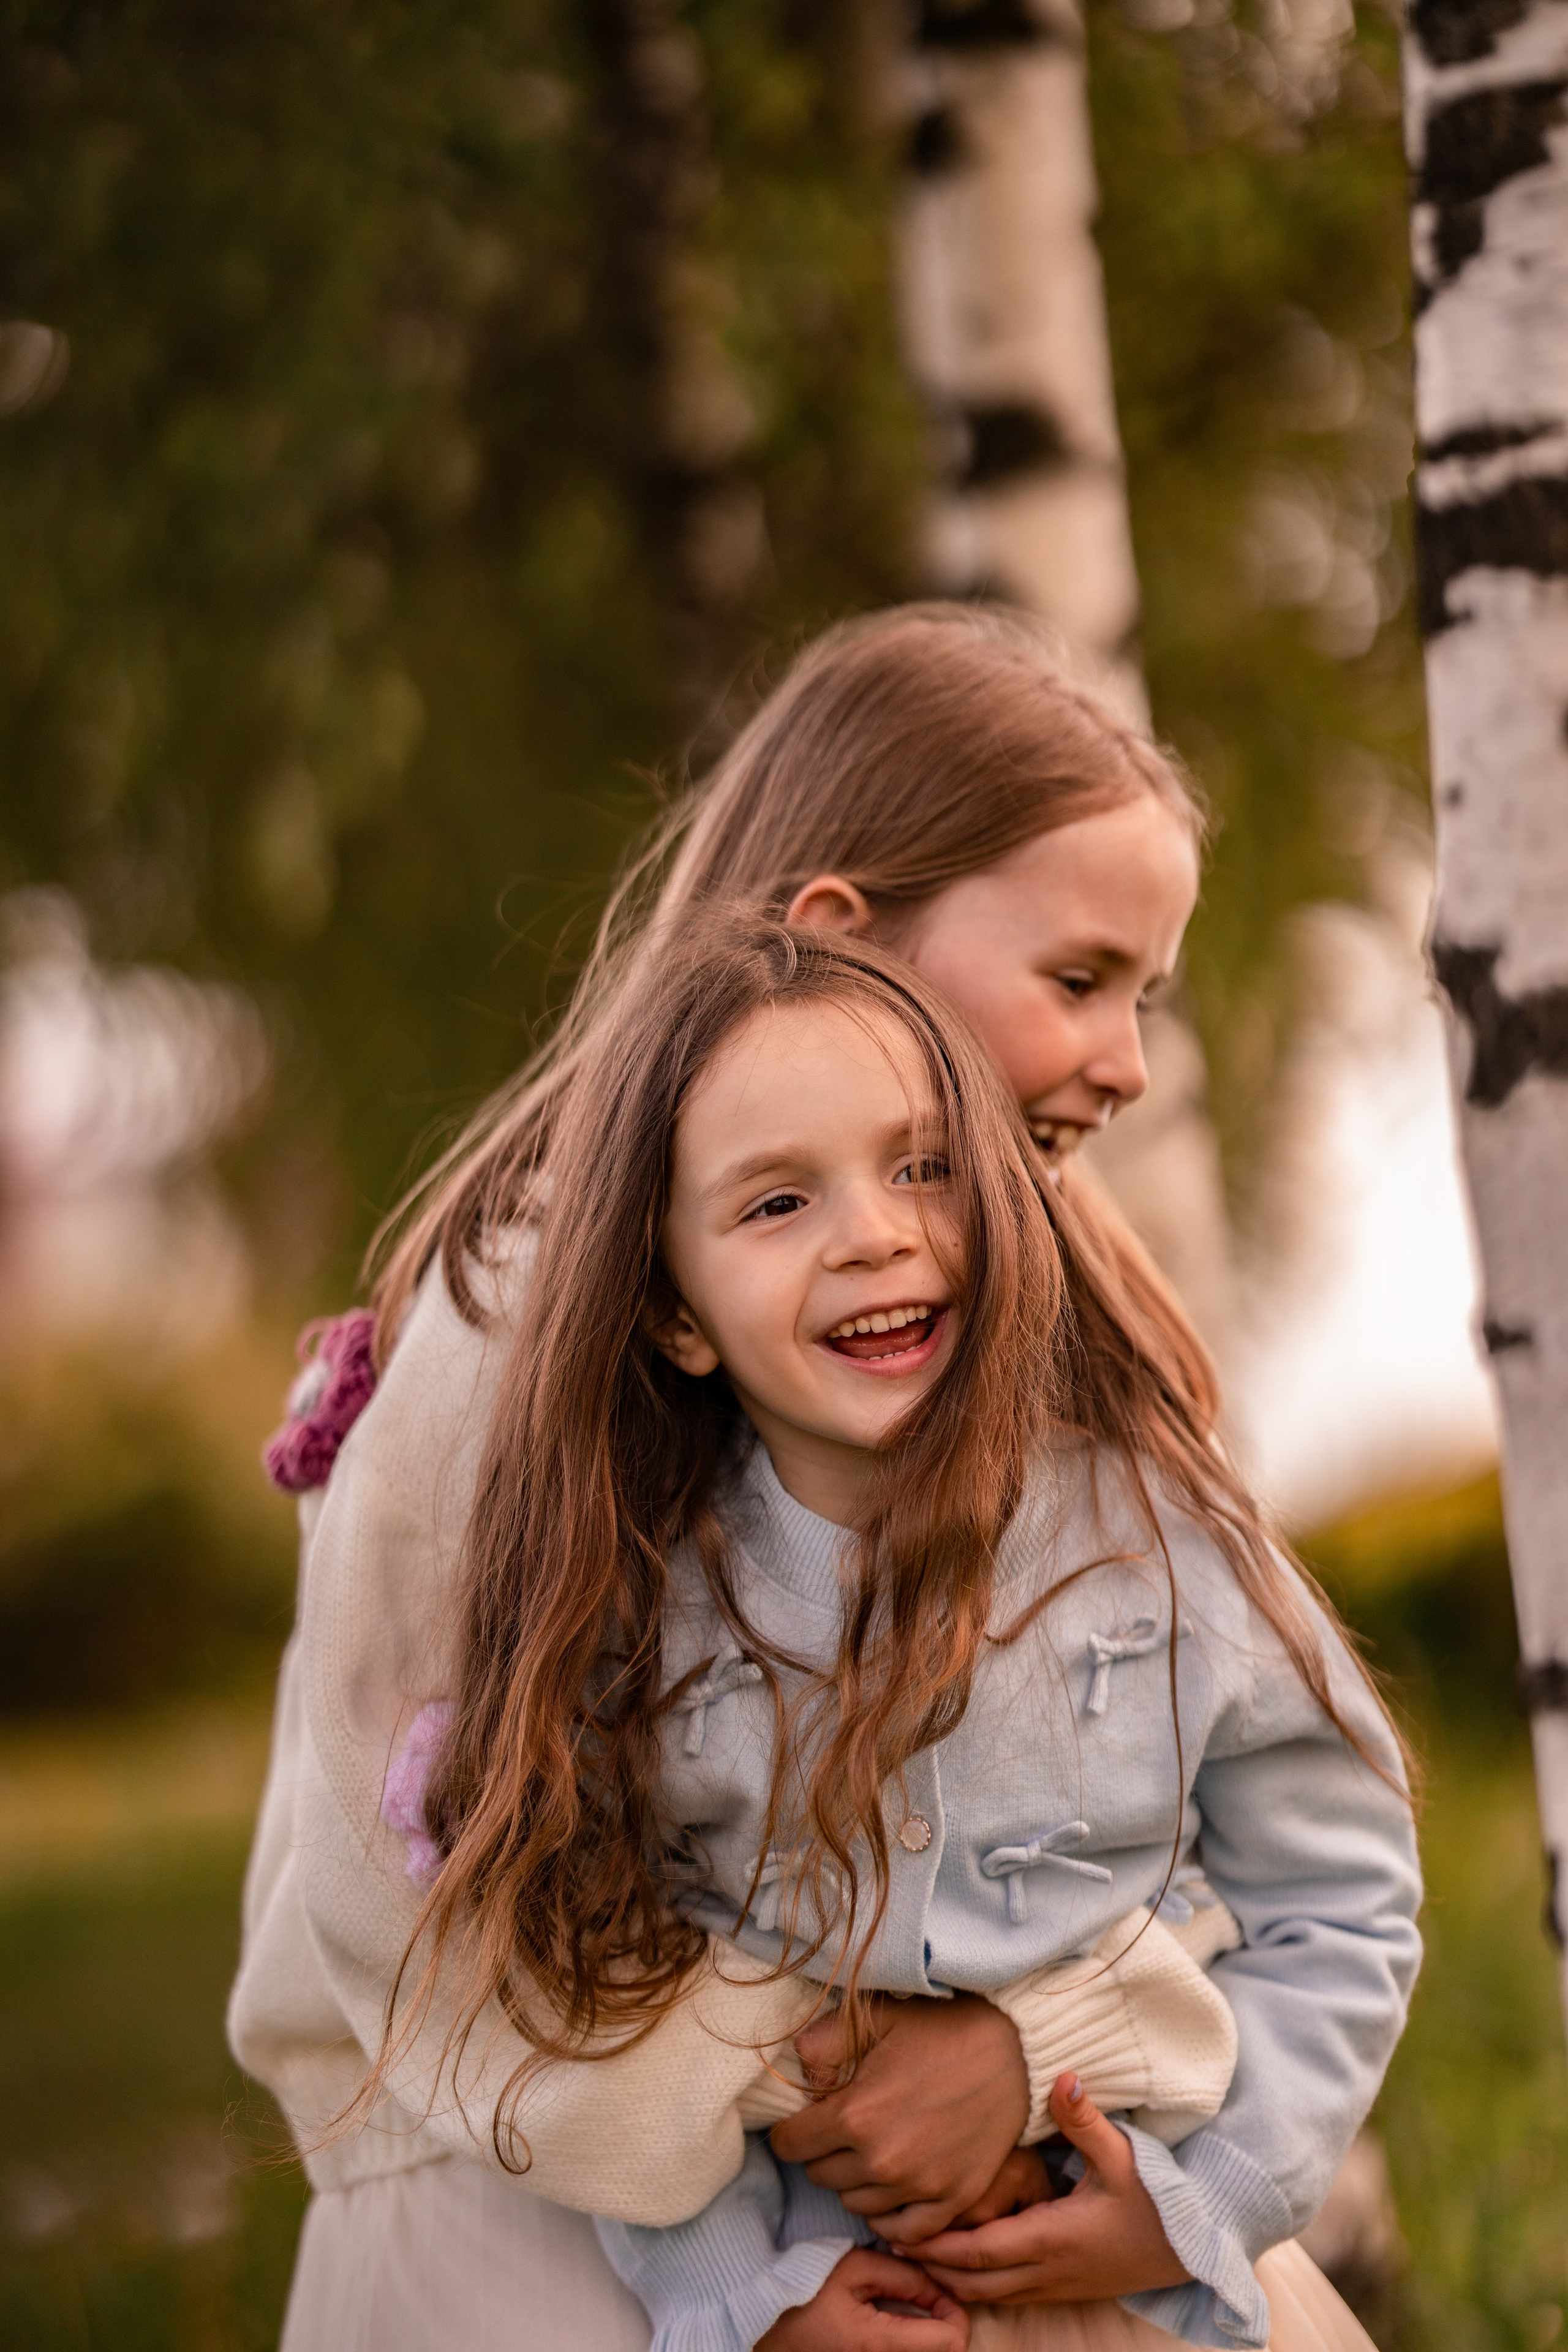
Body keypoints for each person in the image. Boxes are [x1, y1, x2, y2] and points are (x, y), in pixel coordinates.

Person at [229, 605, 1419, 2350]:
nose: (1130, 1060)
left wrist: (1029, 2048)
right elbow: (419, 1854)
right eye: (1079, 979)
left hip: (903, 2185)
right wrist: (776, 2200)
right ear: (842, 940)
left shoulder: (1021, 1334)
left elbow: (1196, 1817)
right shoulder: (529, 1308)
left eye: (1147, 996)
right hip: (534, 2198)